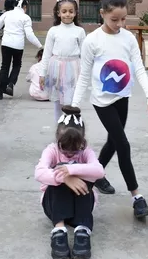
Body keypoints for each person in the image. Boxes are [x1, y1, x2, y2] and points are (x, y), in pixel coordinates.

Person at [70, 0, 148, 219]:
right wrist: (74, 106)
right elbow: (84, 76)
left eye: (123, 19)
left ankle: (94, 176)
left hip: (122, 99)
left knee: (113, 141)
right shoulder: (92, 41)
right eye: (114, 19)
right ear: (102, 13)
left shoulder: (128, 38)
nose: (120, 24)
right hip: (102, 102)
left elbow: (139, 68)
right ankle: (136, 196)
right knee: (122, 144)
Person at [34, 107, 104, 259]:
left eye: (76, 149)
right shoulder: (51, 150)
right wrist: (64, 177)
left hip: (81, 207)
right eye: (65, 149)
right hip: (55, 209)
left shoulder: (86, 151)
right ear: (57, 139)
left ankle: (82, 230)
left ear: (82, 141)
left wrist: (71, 170)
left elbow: (99, 171)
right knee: (56, 179)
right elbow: (39, 172)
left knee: (86, 179)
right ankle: (59, 230)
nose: (70, 153)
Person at [0, 0, 43, 100]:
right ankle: (11, 84)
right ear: (24, 6)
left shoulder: (7, 14)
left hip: (6, 44)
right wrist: (39, 45)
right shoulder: (26, 18)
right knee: (16, 65)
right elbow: (29, 35)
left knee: (4, 66)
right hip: (18, 46)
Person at [39, 0, 86, 121]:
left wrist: (86, 73)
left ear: (75, 13)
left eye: (71, 11)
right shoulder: (53, 31)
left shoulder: (80, 31)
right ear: (58, 13)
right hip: (56, 68)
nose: (67, 14)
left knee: (73, 100)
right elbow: (46, 54)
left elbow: (84, 55)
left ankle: (72, 126)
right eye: (64, 11)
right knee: (58, 100)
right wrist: (42, 73)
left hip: (74, 68)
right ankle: (59, 127)